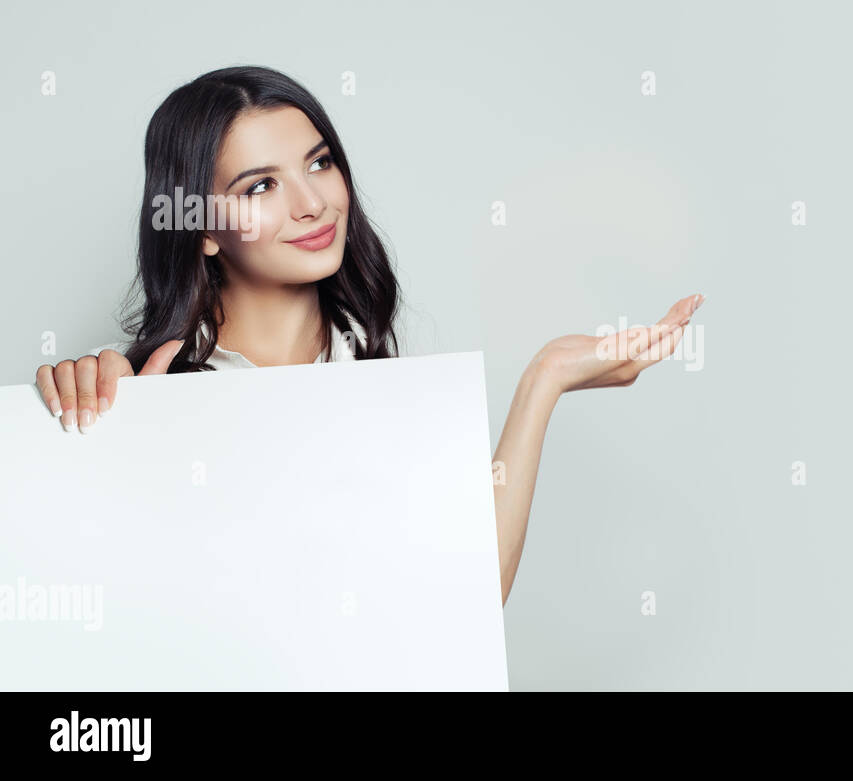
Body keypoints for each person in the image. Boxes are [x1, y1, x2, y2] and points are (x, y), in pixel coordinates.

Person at [31, 66, 704, 606]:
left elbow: (464, 602)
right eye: (261, 184)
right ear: (201, 227)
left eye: (319, 163)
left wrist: (545, 379)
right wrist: (101, 456)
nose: (312, 202)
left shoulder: (387, 382)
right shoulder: (136, 391)